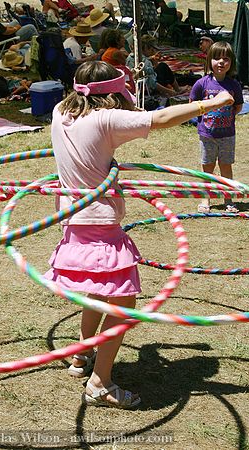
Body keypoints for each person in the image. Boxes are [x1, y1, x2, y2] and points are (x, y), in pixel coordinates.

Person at [45, 60, 234, 409]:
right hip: (100, 222)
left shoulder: (60, 111)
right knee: (123, 300)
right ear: (113, 91)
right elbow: (160, 119)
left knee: (95, 292)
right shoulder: (106, 119)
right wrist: (214, 102)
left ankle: (80, 357)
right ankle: (100, 384)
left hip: (72, 218)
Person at [189, 42, 243, 214]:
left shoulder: (234, 85)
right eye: (216, 58)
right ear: (209, 61)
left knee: (226, 166)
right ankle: (206, 198)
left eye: (225, 59)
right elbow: (193, 104)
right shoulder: (201, 84)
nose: (221, 62)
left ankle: (228, 198)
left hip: (227, 135)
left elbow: (239, 106)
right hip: (207, 135)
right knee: (208, 167)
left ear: (231, 63)